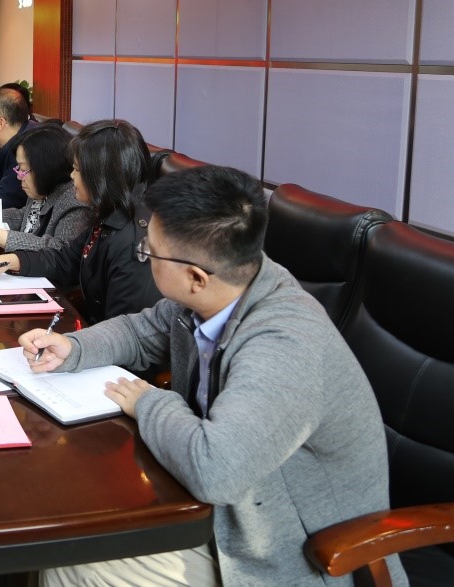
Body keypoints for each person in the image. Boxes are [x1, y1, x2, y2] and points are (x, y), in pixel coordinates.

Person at [20, 166, 403, 586]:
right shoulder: (224, 287)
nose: (143, 254)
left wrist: (148, 402)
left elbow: (215, 471)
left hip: (296, 552)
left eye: (150, 251)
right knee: (70, 513)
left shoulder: (284, 344)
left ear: (195, 278)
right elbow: (141, 330)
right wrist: (74, 348)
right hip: (225, 510)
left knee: (79, 556)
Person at [0, 119, 159, 322]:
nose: (72, 176)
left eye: (77, 170)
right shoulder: (109, 215)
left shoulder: (133, 243)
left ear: (100, 177)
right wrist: (13, 260)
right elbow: (66, 259)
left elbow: (123, 328)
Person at [0, 124, 88, 262]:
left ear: (45, 168)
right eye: (19, 168)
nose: (19, 176)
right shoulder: (42, 188)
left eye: (23, 169)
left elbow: (61, 250)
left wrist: (4, 238)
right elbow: (24, 216)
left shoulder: (75, 199)